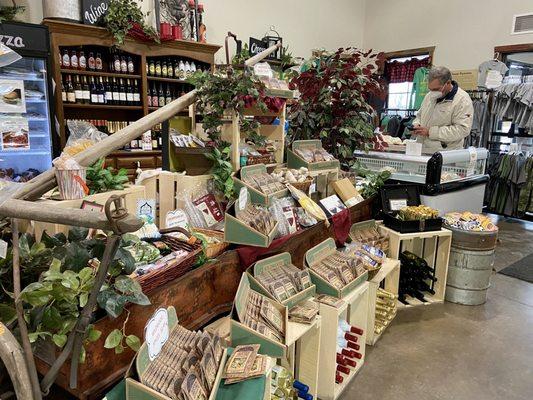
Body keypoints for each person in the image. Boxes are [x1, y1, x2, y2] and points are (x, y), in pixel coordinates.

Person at [412, 66, 474, 153]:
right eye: (430, 89)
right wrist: (416, 124)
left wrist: (431, 132)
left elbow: (462, 129)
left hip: (445, 153)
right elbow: (419, 115)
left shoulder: (462, 100)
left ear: (448, 83)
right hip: (422, 149)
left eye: (436, 89)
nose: (432, 92)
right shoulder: (429, 96)